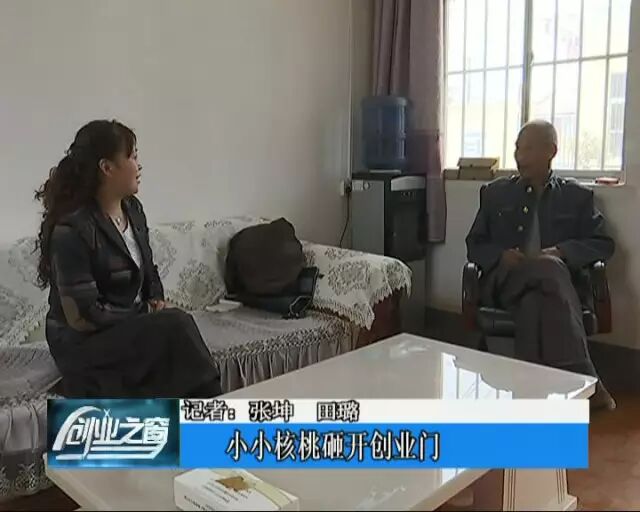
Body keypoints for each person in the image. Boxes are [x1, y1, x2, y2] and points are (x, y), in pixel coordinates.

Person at [35, 119, 221, 399]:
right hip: (82, 343)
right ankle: (216, 408)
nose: (139, 165)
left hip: (126, 329)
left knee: (174, 333)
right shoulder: (72, 229)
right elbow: (84, 316)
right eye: (132, 156)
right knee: (176, 325)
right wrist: (147, 312)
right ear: (107, 168)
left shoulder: (133, 210)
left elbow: (149, 270)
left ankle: (207, 411)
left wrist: (156, 299)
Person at [466, 120, 615, 409]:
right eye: (517, 149)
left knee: (535, 299)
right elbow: (475, 244)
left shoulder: (576, 197)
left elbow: (602, 244)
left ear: (551, 151)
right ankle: (584, 377)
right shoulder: (495, 193)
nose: (520, 157)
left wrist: (562, 252)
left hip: (551, 288)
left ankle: (531, 401)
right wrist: (501, 256)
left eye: (529, 149)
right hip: (507, 282)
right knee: (548, 268)